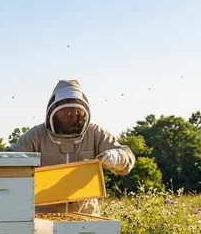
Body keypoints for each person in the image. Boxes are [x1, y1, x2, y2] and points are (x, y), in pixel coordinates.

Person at [8, 79, 135, 215]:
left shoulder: (95, 133)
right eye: (62, 106)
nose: (68, 112)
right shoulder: (36, 135)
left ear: (81, 108)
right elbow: (10, 160)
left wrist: (116, 156)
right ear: (53, 108)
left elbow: (127, 159)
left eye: (72, 106)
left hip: (85, 216)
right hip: (44, 217)